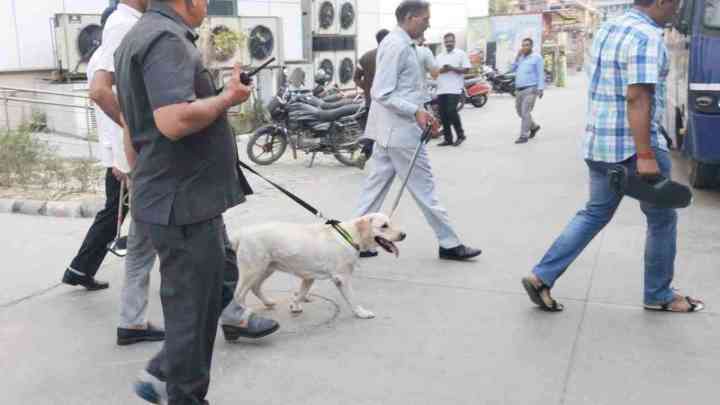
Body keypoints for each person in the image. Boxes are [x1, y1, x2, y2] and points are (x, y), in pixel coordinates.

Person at [114, 1, 278, 403]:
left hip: (175, 198)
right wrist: (228, 98)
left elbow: (133, 126)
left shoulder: (139, 36)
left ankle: (161, 375)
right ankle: (184, 396)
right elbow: (173, 120)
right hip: (183, 203)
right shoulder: (165, 39)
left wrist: (141, 181)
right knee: (192, 317)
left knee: (200, 306)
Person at [521, 0, 705, 313]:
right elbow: (637, 97)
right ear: (660, 1)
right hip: (633, 149)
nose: (677, 11)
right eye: (675, 3)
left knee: (594, 213)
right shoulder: (646, 36)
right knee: (662, 218)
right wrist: (645, 155)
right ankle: (659, 294)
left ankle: (542, 276)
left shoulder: (608, 27)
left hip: (599, 144)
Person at [354, 0, 481, 262]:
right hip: (400, 134)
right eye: (425, 19)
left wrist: (422, 111)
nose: (428, 23)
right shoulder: (396, 45)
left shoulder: (407, 46)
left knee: (373, 190)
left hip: (391, 133)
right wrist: (415, 111)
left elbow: (407, 89)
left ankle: (357, 242)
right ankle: (449, 243)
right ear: (410, 18)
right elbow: (381, 92)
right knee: (426, 190)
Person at [84, 0, 167, 346]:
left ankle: (131, 321)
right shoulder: (122, 25)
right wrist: (127, 140)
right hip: (141, 157)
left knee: (143, 243)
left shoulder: (131, 23)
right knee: (177, 238)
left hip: (138, 155)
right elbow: (102, 93)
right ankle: (225, 313)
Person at [60, 1, 134, 292]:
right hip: (122, 153)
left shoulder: (102, 58)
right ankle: (80, 267)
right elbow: (114, 116)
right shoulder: (107, 61)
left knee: (117, 213)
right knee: (114, 214)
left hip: (119, 151)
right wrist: (119, 159)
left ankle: (79, 268)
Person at [354, 28, 390, 165]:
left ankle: (365, 153)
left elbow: (356, 78)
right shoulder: (392, 56)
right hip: (390, 103)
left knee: (373, 129)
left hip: (371, 101)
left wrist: (368, 88)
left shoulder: (366, 57)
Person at [435, 32, 471, 147]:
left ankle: (460, 135)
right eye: (446, 41)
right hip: (441, 89)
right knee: (443, 114)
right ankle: (448, 138)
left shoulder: (461, 54)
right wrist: (442, 70)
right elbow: (435, 71)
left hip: (454, 89)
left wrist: (452, 68)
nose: (448, 43)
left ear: (454, 41)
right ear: (444, 42)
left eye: (450, 41)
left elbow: (466, 70)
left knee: (451, 111)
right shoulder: (439, 56)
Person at [509, 38, 544, 144]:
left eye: (527, 45)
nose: (525, 47)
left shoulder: (537, 58)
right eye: (523, 45)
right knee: (519, 111)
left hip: (531, 89)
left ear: (531, 46)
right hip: (519, 90)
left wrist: (540, 88)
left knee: (525, 111)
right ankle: (533, 126)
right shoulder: (521, 58)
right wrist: (517, 56)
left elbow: (540, 73)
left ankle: (524, 135)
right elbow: (512, 69)